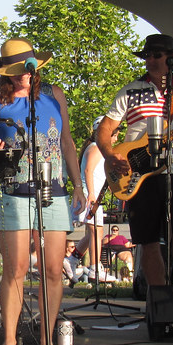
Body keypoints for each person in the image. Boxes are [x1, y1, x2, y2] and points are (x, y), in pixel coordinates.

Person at [0, 38, 85, 345]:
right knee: (17, 268)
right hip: (11, 188)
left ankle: (47, 342)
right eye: (15, 71)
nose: (22, 75)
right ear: (6, 73)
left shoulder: (54, 95)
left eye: (25, 68)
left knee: (53, 269)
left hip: (52, 187)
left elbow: (66, 141)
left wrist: (78, 185)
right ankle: (9, 343)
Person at [97, 33, 173, 287]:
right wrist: (110, 155)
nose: (150, 60)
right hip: (138, 175)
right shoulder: (130, 91)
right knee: (147, 240)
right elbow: (104, 130)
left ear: (171, 58)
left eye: (156, 55)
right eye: (147, 56)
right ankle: (158, 297)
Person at [73, 116, 118, 282]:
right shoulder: (96, 148)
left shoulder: (95, 148)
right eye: (114, 135)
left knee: (94, 232)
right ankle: (95, 268)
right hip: (91, 196)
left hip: (95, 194)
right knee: (96, 232)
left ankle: (71, 259)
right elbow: (88, 171)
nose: (115, 139)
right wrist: (92, 193)